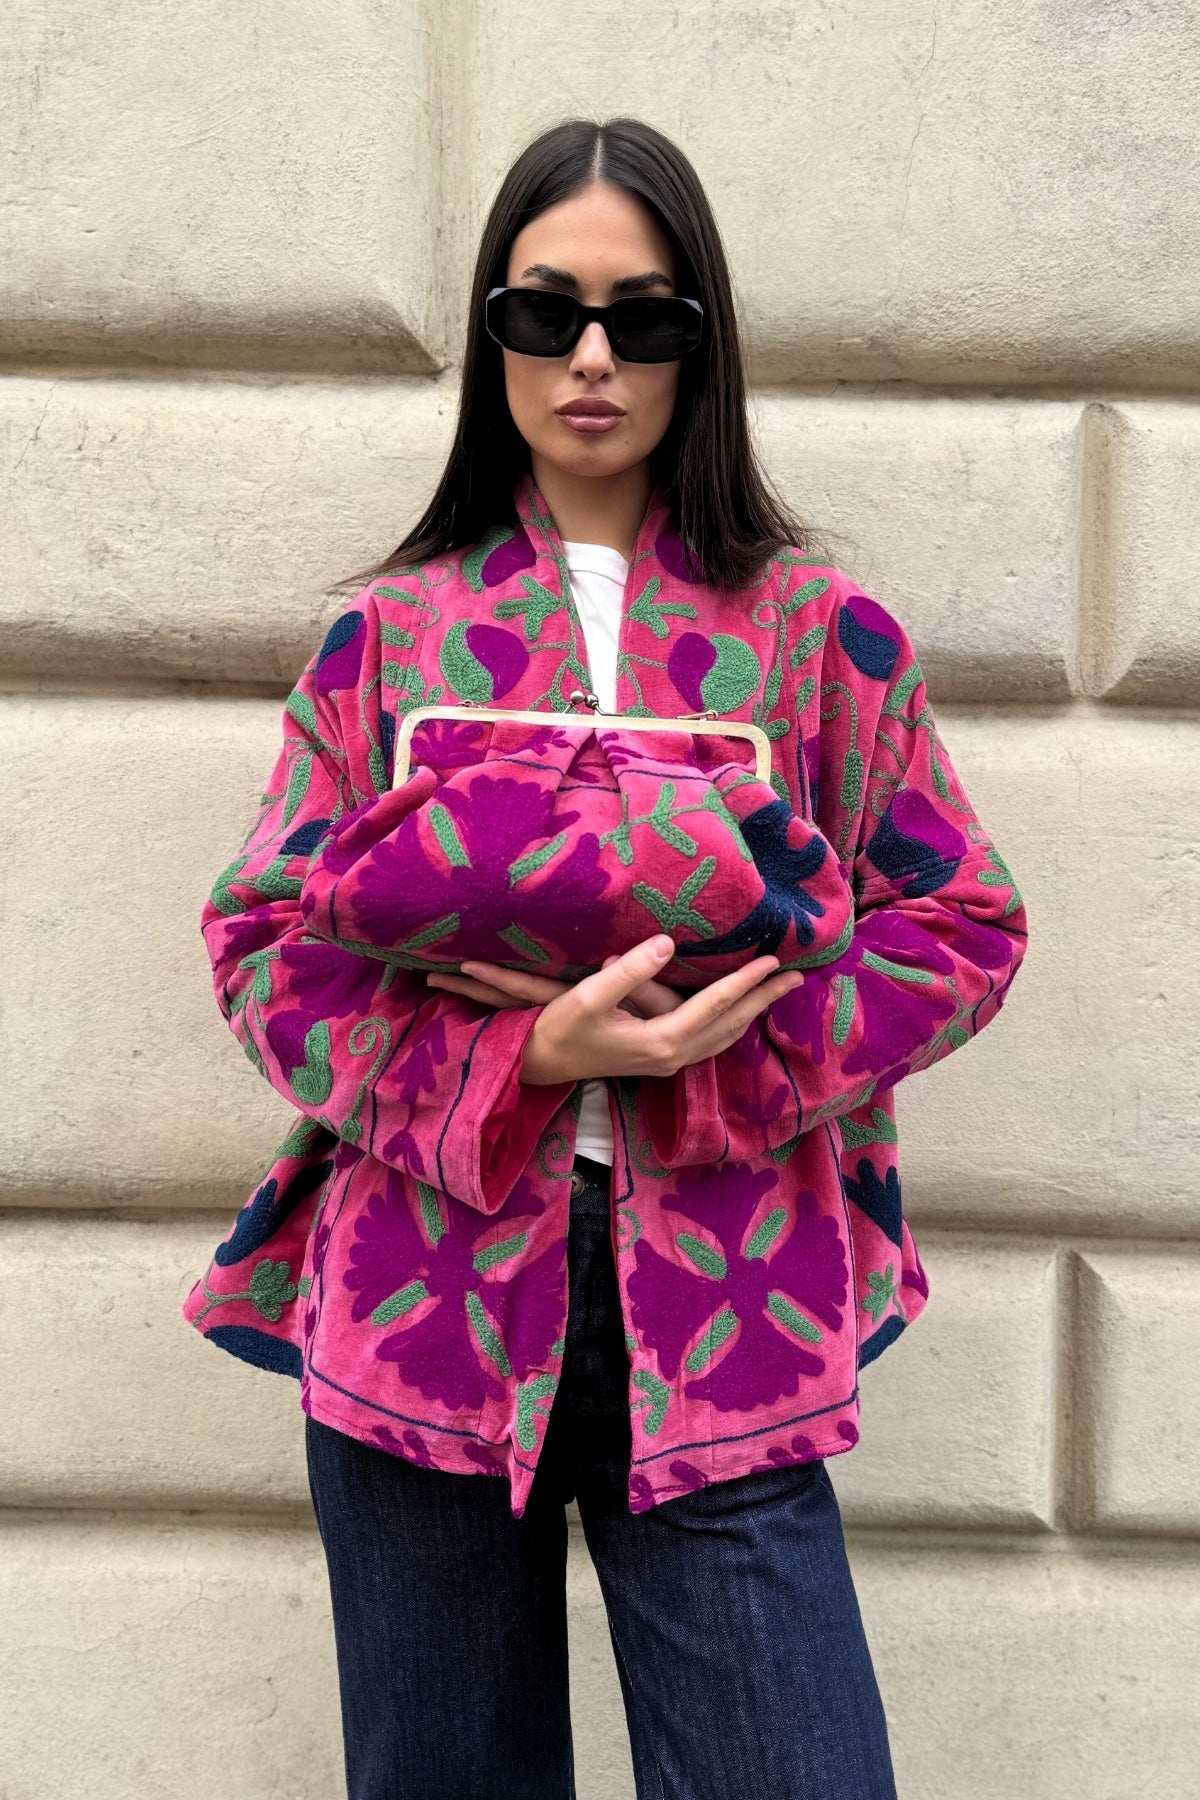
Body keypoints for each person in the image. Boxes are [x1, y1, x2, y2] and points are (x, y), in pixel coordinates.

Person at [183, 116, 1027, 1799]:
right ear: (492, 331)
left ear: (698, 341)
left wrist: (715, 1053)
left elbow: (962, 923)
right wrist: (526, 1061)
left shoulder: (817, 632)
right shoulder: (387, 636)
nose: (589, 358)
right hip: (422, 1313)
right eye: (542, 310)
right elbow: (264, 945)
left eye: (641, 318)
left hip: (729, 1307)